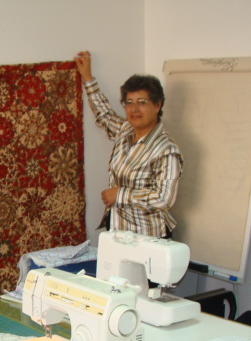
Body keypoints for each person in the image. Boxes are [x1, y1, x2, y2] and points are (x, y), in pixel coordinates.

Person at [75, 51, 183, 238]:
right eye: (129, 102)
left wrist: (120, 194)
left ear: (157, 105)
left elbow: (164, 199)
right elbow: (105, 116)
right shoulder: (126, 130)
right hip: (118, 228)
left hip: (147, 236)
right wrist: (87, 77)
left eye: (142, 102)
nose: (134, 109)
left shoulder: (167, 149)